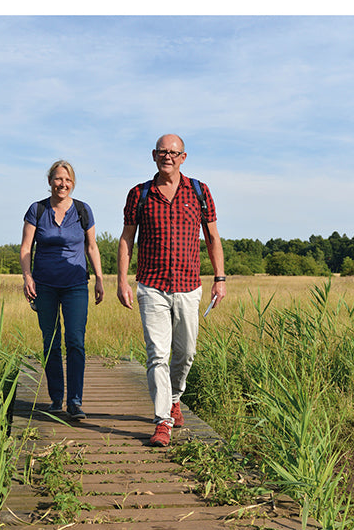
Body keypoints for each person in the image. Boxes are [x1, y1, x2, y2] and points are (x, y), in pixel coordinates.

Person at [117, 134, 226, 446]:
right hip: (152, 286)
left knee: (186, 352)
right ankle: (162, 419)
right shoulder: (139, 194)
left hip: (189, 286)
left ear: (184, 157)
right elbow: (127, 239)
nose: (168, 157)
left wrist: (220, 278)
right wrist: (121, 279)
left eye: (174, 152)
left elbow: (213, 237)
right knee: (157, 355)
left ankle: (174, 397)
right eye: (163, 152)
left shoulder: (199, 191)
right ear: (154, 155)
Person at [20, 160, 104, 419]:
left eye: (67, 180)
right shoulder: (37, 209)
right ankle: (56, 399)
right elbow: (26, 248)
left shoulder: (82, 210)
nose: (62, 184)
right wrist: (27, 276)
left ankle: (75, 402)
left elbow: (91, 246)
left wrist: (100, 277)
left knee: (76, 342)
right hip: (44, 285)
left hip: (76, 285)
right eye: (57, 179)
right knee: (51, 341)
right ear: (50, 182)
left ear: (73, 183)